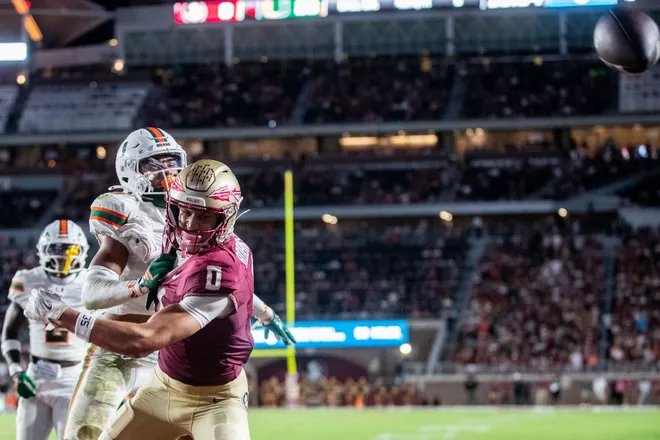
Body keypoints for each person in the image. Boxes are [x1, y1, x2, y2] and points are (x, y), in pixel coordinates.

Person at [64, 128, 293, 440]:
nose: (167, 171)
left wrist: (265, 313)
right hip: (118, 345)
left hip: (167, 350)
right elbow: (91, 294)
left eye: (172, 161)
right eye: (153, 164)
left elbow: (216, 286)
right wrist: (141, 286)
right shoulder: (128, 212)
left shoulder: (198, 221)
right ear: (129, 170)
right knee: (84, 433)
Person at [26, 160, 255, 439]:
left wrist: (63, 315)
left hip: (215, 402)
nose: (191, 225)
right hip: (162, 387)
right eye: (185, 211)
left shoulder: (219, 268)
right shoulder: (174, 235)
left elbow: (143, 340)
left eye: (204, 216)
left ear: (226, 217)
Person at [1, 220, 89, 440]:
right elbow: (10, 331)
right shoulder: (28, 279)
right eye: (57, 249)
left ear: (82, 251)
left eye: (71, 249)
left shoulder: (91, 281)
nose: (64, 257)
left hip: (74, 378)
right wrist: (15, 371)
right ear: (43, 250)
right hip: (36, 376)